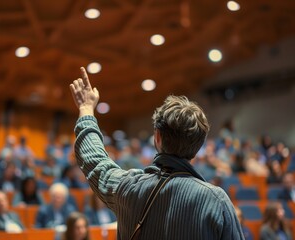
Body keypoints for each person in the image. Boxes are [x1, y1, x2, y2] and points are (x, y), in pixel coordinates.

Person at [69, 67, 244, 239]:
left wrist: (86, 109)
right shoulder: (217, 201)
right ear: (198, 146)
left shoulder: (129, 188)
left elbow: (95, 161)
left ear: (157, 137)